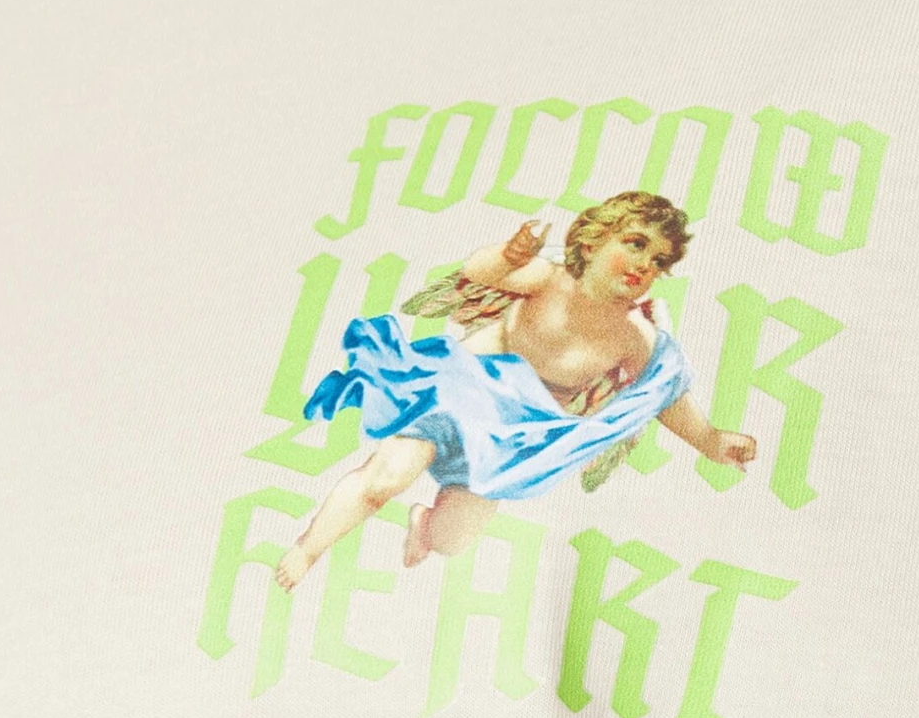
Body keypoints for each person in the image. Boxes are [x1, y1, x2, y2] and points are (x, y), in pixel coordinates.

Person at [273, 190, 758, 588]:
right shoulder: (549, 279)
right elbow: (480, 272)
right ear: (592, 242)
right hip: (458, 391)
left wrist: (711, 441)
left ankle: (423, 524)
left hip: (513, 438)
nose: (644, 264)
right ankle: (308, 549)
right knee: (386, 479)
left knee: (451, 539)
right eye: (635, 244)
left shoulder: (635, 337)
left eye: (658, 260)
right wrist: (509, 255)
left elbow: (666, 394)